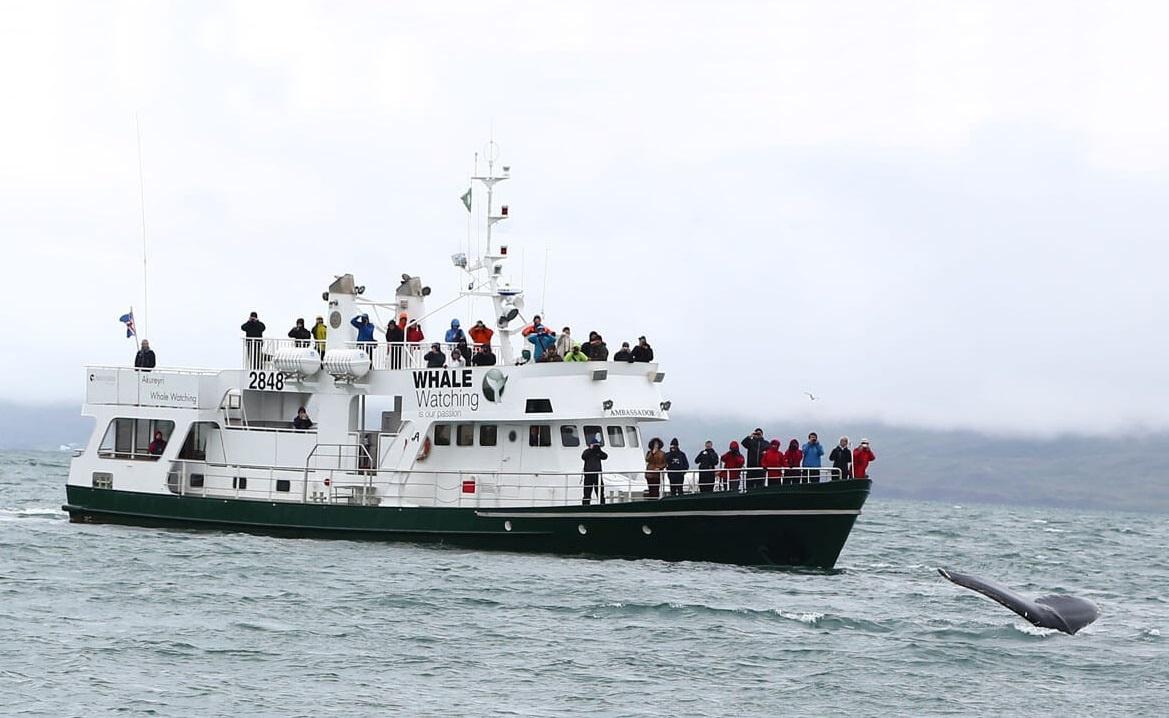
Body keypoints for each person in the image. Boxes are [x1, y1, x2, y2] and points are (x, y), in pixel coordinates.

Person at [580, 436, 608, 505]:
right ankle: (586, 505)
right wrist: (590, 449)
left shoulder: (598, 452)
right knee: (587, 492)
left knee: (600, 491)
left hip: (597, 475)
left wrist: (599, 450)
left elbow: (605, 456)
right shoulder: (587, 451)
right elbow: (583, 457)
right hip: (588, 474)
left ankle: (602, 504)